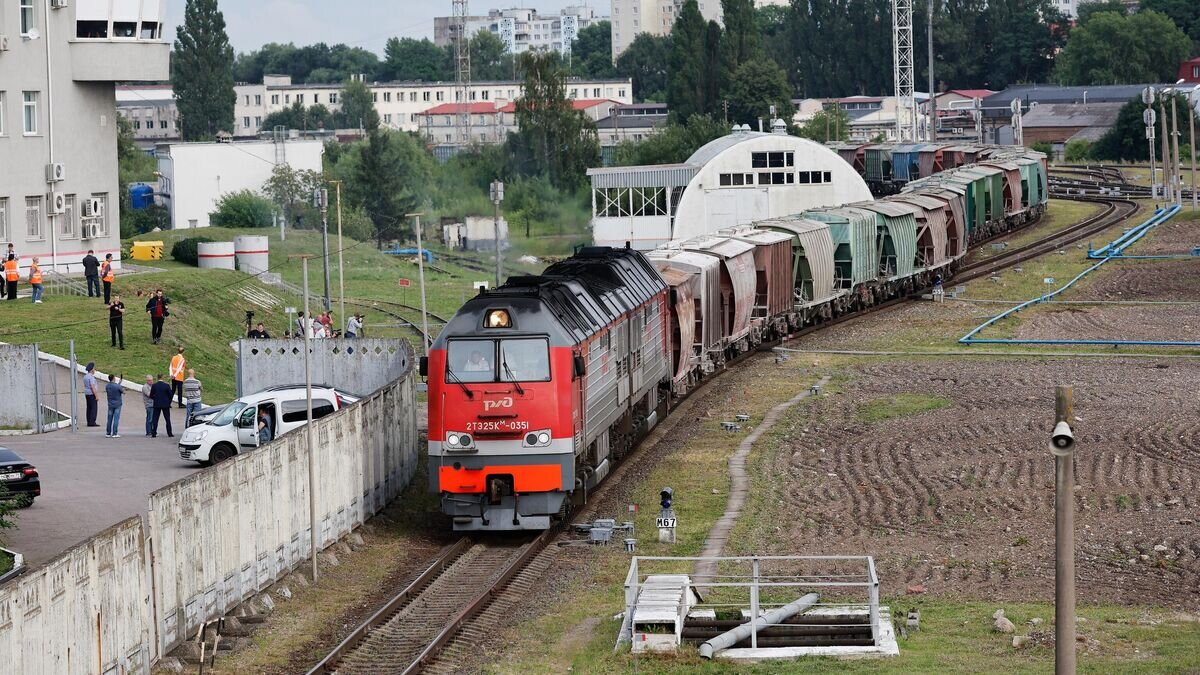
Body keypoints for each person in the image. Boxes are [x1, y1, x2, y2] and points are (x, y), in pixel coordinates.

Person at [104, 374, 124, 438]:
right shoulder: (117, 386)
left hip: (110, 404)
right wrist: (119, 384)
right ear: (113, 378)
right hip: (117, 404)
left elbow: (115, 387)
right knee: (116, 419)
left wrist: (119, 383)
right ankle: (115, 433)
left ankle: (108, 433)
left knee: (109, 419)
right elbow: (122, 391)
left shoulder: (107, 386)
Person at [83, 362, 100, 427]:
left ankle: (89, 421)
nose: (94, 370)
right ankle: (92, 422)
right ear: (92, 369)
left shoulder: (85, 376)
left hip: (87, 394)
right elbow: (92, 386)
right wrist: (96, 396)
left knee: (89, 408)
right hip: (92, 394)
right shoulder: (91, 377)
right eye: (94, 368)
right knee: (94, 408)